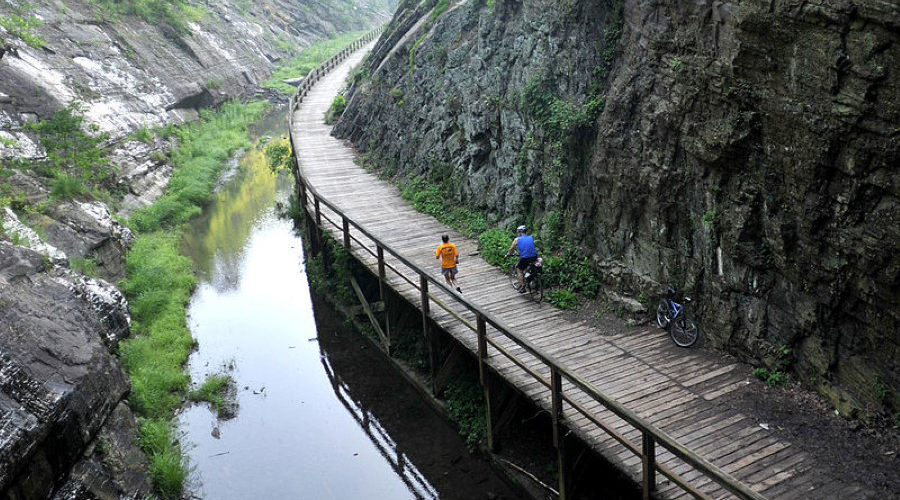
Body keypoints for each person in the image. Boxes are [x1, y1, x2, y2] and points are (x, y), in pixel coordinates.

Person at [506, 225, 538, 292]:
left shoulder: (517, 239)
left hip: (525, 257)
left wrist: (508, 254)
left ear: (520, 232)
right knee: (530, 265)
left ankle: (523, 286)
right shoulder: (531, 237)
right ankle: (531, 277)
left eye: (518, 232)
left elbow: (511, 249)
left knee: (519, 269)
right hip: (534, 256)